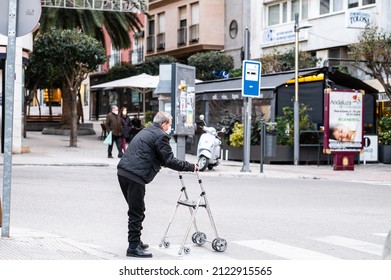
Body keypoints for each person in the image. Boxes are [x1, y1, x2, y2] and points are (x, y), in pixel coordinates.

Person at [117, 111, 199, 258]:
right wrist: (191, 166)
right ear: (163, 124)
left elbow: (156, 156)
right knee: (136, 212)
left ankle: (136, 241)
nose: (170, 127)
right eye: (169, 124)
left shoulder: (147, 130)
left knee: (138, 209)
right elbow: (169, 160)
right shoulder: (160, 135)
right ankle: (133, 247)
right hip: (135, 175)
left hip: (123, 172)